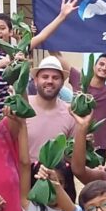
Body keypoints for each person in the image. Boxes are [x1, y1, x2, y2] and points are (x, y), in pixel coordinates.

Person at [27, 56, 80, 199]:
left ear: (62, 82)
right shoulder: (23, 107)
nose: (50, 81)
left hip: (58, 182)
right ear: (36, 80)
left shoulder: (71, 113)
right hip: (25, 179)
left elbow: (72, 155)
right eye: (45, 76)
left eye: (55, 77)